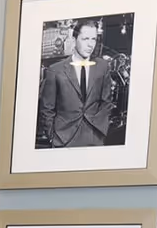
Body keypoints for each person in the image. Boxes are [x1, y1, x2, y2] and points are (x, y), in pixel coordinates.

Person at [38, 20, 118, 148]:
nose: (90, 45)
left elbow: (106, 102)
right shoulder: (55, 70)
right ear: (74, 40)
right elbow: (47, 109)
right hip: (63, 139)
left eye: (93, 39)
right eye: (85, 39)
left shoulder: (102, 67)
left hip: (94, 138)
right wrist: (52, 136)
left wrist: (101, 131)